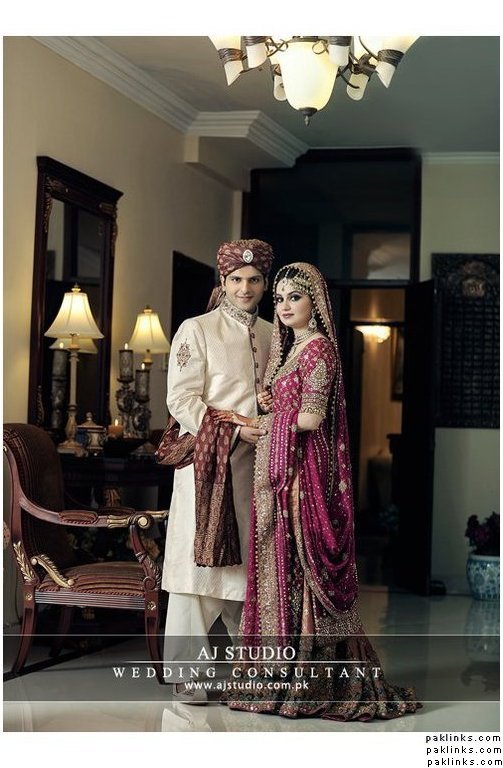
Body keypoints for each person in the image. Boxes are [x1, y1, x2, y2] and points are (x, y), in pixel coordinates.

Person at [213, 262, 421, 720]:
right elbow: (294, 404)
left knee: (298, 566)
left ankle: (307, 682)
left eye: (296, 297)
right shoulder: (293, 350)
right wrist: (271, 400)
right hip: (284, 470)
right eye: (280, 298)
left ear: (316, 303)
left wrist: (260, 420)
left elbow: (310, 419)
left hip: (302, 475)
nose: (285, 306)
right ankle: (277, 678)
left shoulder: (317, 349)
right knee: (279, 567)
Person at [162, 238, 274, 701]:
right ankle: (188, 674)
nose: (245, 288)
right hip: (207, 468)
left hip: (259, 469)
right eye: (236, 279)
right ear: (223, 281)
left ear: (265, 283)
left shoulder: (273, 333)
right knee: (196, 572)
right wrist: (232, 431)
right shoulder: (197, 329)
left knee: (250, 568)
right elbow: (180, 398)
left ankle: (251, 670)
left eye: (254, 280)